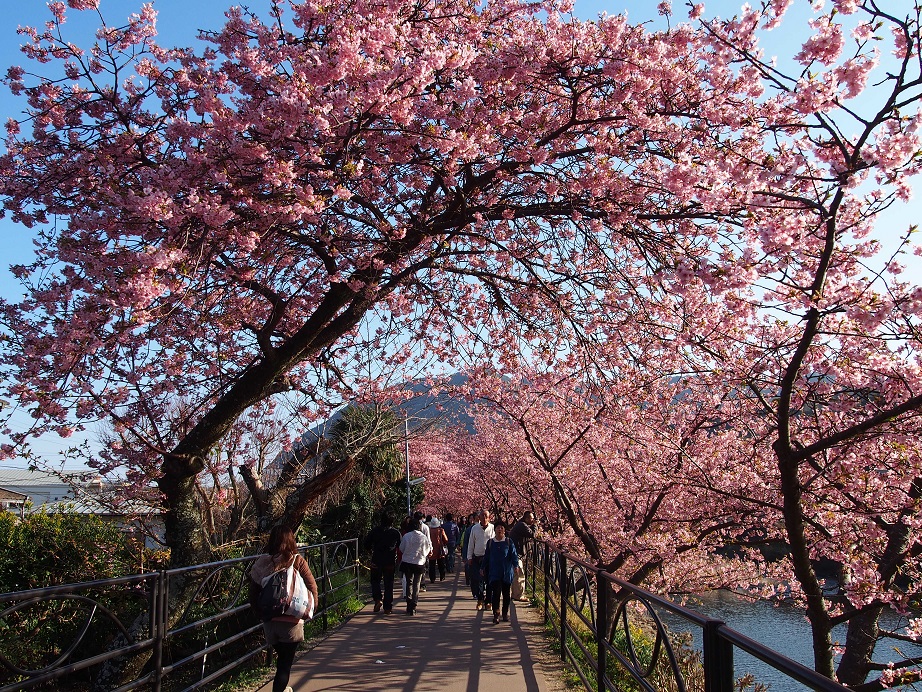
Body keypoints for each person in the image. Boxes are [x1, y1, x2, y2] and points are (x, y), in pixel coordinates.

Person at [249, 525, 319, 692]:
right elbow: (312, 587)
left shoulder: (262, 562)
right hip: (292, 621)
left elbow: (252, 595)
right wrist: (311, 608)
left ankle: (282, 687)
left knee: (282, 658)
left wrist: (261, 615)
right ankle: (280, 689)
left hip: (270, 622)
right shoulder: (297, 561)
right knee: (284, 665)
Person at [364, 510, 401, 614]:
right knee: (389, 584)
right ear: (392, 520)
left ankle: (377, 599)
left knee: (375, 581)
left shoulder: (375, 531)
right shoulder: (395, 532)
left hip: (376, 560)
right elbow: (400, 546)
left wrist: (371, 549)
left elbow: (366, 544)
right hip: (389, 561)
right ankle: (388, 607)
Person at [480, 522, 519, 624]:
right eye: (498, 528)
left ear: (504, 530)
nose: (500, 530)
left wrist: (516, 565)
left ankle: (505, 613)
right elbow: (486, 557)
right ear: (495, 530)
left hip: (506, 572)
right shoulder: (491, 543)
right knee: (496, 593)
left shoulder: (508, 542)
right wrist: (482, 567)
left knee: (506, 594)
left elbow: (514, 555)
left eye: (502, 528)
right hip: (494, 572)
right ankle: (496, 613)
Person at [398, 517, 432, 615]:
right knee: (416, 584)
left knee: (409, 582)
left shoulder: (406, 536)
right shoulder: (423, 537)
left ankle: (409, 603)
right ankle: (414, 604)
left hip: (407, 562)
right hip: (419, 563)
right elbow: (427, 550)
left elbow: (401, 548)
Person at [465, 509, 495, 610]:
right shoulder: (475, 528)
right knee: (478, 580)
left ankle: (489, 601)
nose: (484, 518)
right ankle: (480, 600)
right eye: (482, 516)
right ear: (479, 517)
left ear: (489, 518)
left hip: (489, 558)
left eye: (486, 516)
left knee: (489, 581)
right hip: (477, 557)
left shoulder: (493, 528)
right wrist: (469, 557)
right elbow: (471, 543)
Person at [508, 510, 536, 602]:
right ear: (526, 518)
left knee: (517, 573)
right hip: (516, 553)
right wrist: (535, 525)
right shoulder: (522, 525)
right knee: (519, 574)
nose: (533, 520)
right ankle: (518, 595)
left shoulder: (521, 524)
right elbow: (532, 534)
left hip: (516, 552)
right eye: (531, 518)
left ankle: (515, 594)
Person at [427, 517, 448, 583]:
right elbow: (446, 539)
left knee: (432, 565)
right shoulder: (441, 530)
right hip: (440, 549)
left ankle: (432, 578)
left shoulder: (429, 530)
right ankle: (442, 576)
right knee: (441, 564)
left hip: (431, 549)